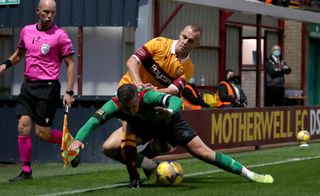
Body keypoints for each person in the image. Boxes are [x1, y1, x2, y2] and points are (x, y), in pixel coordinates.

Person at [69, 84, 274, 188]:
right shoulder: (114, 105)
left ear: (138, 98)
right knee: (109, 146)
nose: (130, 110)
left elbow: (176, 101)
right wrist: (78, 139)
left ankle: (250, 174)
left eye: (133, 106)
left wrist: (170, 111)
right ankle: (143, 172)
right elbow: (93, 121)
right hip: (144, 128)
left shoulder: (148, 96)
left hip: (169, 122)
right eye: (126, 108)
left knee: (204, 154)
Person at [99, 24, 202, 172]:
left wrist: (155, 92)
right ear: (180, 34)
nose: (185, 42)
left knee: (166, 145)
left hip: (150, 104)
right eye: (184, 37)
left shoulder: (188, 68)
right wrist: (139, 86)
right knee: (110, 147)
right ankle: (145, 169)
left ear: (197, 45)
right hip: (131, 98)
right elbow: (132, 62)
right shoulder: (159, 44)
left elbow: (173, 90)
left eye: (190, 40)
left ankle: (141, 161)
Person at [0, 0, 76, 182]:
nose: (49, 16)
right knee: (23, 126)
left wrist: (69, 92)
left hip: (48, 88)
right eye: (46, 12)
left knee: (43, 134)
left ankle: (72, 143)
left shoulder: (60, 35)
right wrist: (5, 64)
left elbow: (71, 64)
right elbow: (19, 54)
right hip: (28, 86)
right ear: (37, 11)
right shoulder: (26, 31)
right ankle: (26, 170)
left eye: (52, 13)